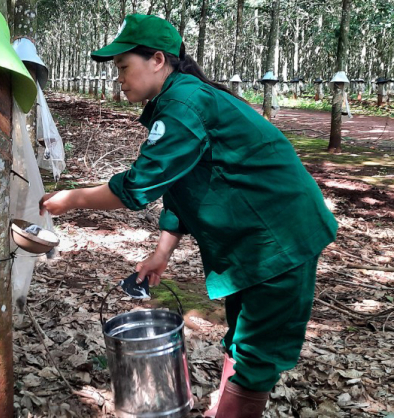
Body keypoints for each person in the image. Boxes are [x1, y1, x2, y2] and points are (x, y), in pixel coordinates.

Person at [39, 14, 337, 418]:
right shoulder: (179, 102)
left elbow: (139, 186)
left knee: (257, 352)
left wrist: (71, 200)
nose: (119, 79)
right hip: (251, 238)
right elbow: (182, 186)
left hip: (279, 237)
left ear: (158, 60)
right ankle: (227, 402)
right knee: (243, 334)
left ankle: (234, 407)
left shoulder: (184, 104)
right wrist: (162, 253)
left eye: (124, 67)